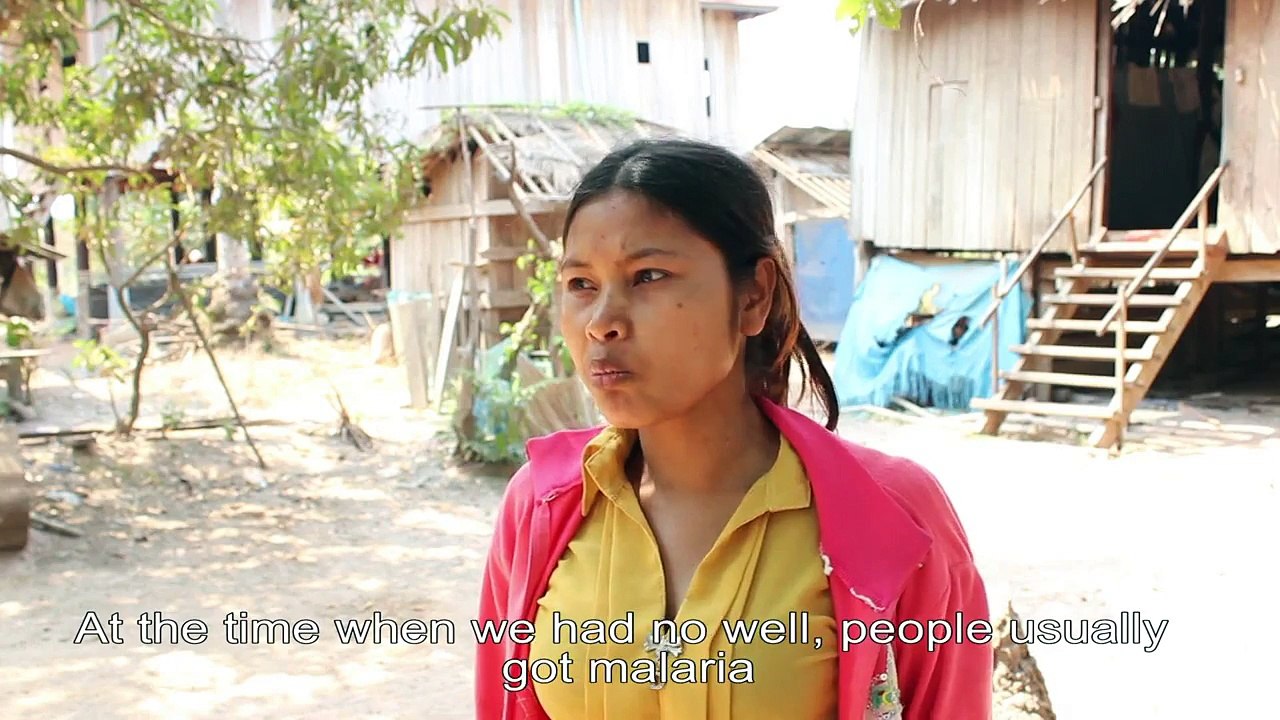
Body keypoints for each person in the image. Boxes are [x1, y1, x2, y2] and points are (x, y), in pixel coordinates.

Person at [475, 138, 992, 720]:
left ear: (754, 296)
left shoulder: (894, 515)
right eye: (581, 285)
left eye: (648, 275)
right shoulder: (540, 509)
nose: (602, 323)